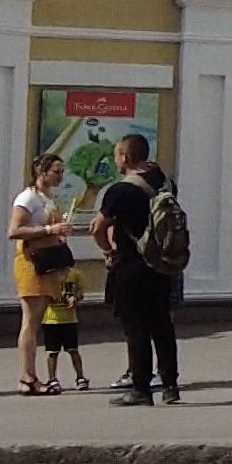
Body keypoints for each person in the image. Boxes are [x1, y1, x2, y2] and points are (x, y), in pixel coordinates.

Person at [92, 131, 185, 407]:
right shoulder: (165, 183)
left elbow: (99, 227)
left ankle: (140, 388)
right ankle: (170, 386)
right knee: (162, 325)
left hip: (131, 265)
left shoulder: (120, 190)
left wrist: (108, 251)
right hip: (162, 264)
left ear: (126, 156)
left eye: (117, 155)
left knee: (136, 327)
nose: (116, 160)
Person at [8, 154, 85, 396]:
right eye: (56, 171)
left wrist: (60, 230)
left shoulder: (47, 198)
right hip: (31, 264)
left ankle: (29, 376)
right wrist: (51, 229)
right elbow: (15, 230)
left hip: (46, 264)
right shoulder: (28, 197)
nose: (60, 176)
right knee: (30, 322)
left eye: (62, 171)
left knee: (35, 322)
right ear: (41, 171)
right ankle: (27, 377)